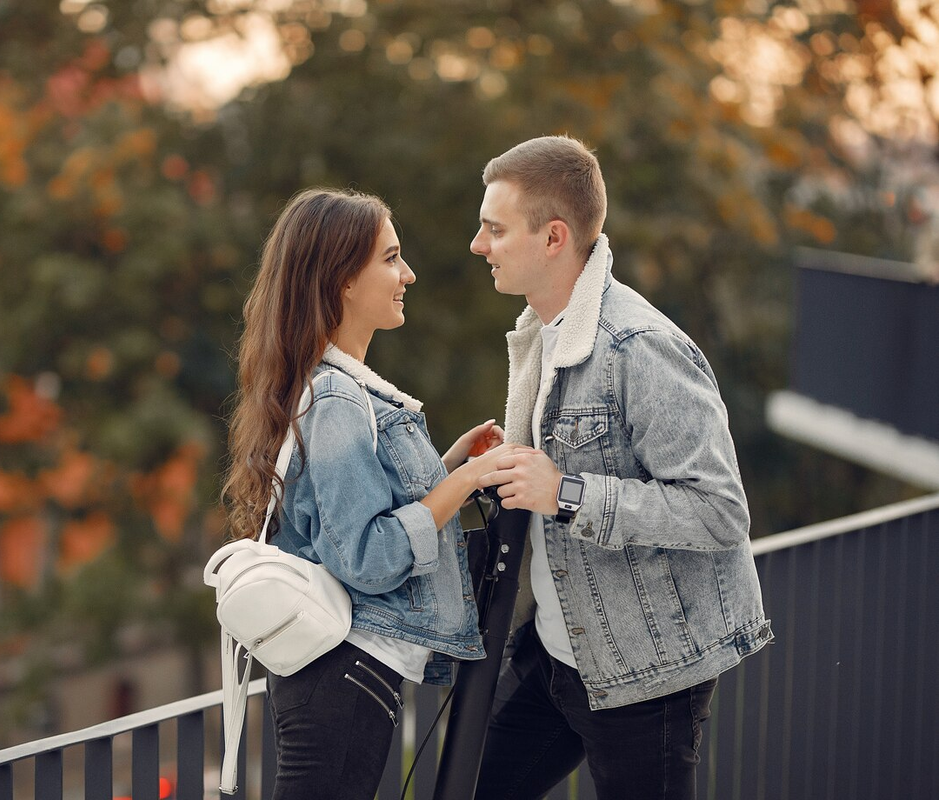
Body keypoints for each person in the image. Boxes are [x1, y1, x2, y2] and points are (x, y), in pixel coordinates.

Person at [468, 136, 773, 800]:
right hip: (556, 652)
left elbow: (719, 510)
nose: (477, 244)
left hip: (645, 673)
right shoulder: (544, 331)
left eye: (494, 228)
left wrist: (566, 492)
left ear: (553, 237)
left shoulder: (639, 347)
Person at [222, 188, 526, 800]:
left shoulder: (337, 389)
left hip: (343, 675)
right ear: (341, 281)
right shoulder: (337, 400)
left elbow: (361, 516)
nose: (407, 274)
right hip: (344, 674)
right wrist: (464, 483)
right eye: (390, 259)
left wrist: (446, 469)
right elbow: (367, 556)